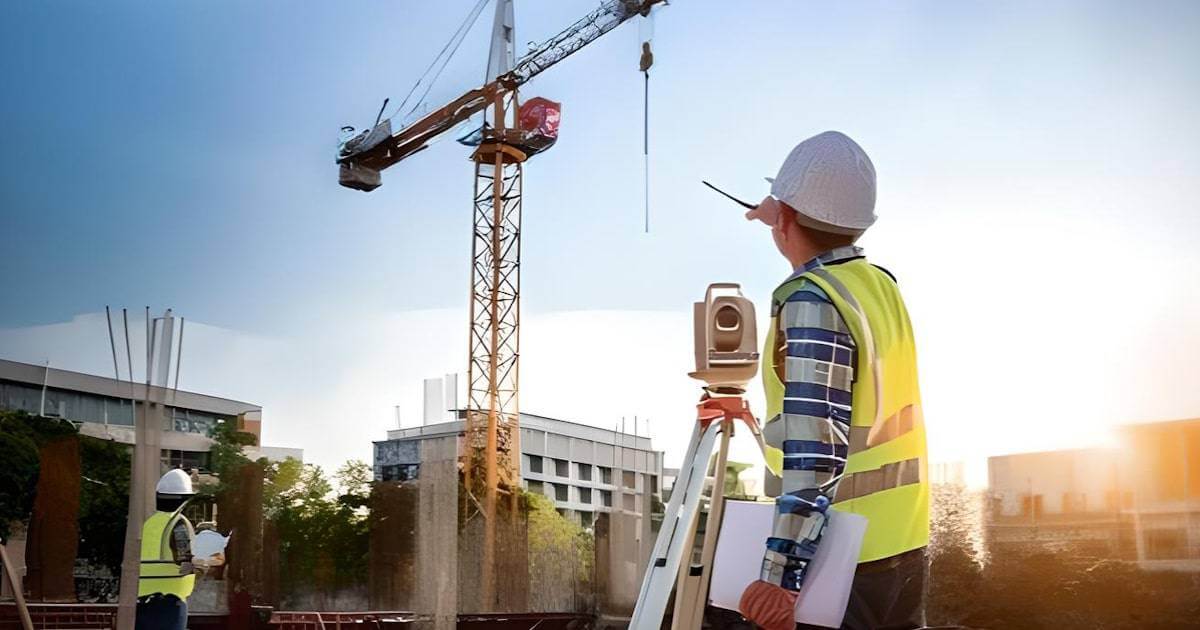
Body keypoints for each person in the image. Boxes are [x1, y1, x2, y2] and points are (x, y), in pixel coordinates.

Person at [712, 131, 929, 630]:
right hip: (900, 547)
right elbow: (854, 412)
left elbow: (819, 453)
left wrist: (780, 575)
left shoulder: (812, 298)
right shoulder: (878, 287)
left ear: (784, 219)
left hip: (837, 560)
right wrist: (749, 417)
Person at [137, 469, 197, 630]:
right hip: (170, 602)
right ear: (185, 499)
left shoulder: (147, 523)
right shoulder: (178, 524)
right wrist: (201, 565)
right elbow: (184, 559)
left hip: (141, 602)